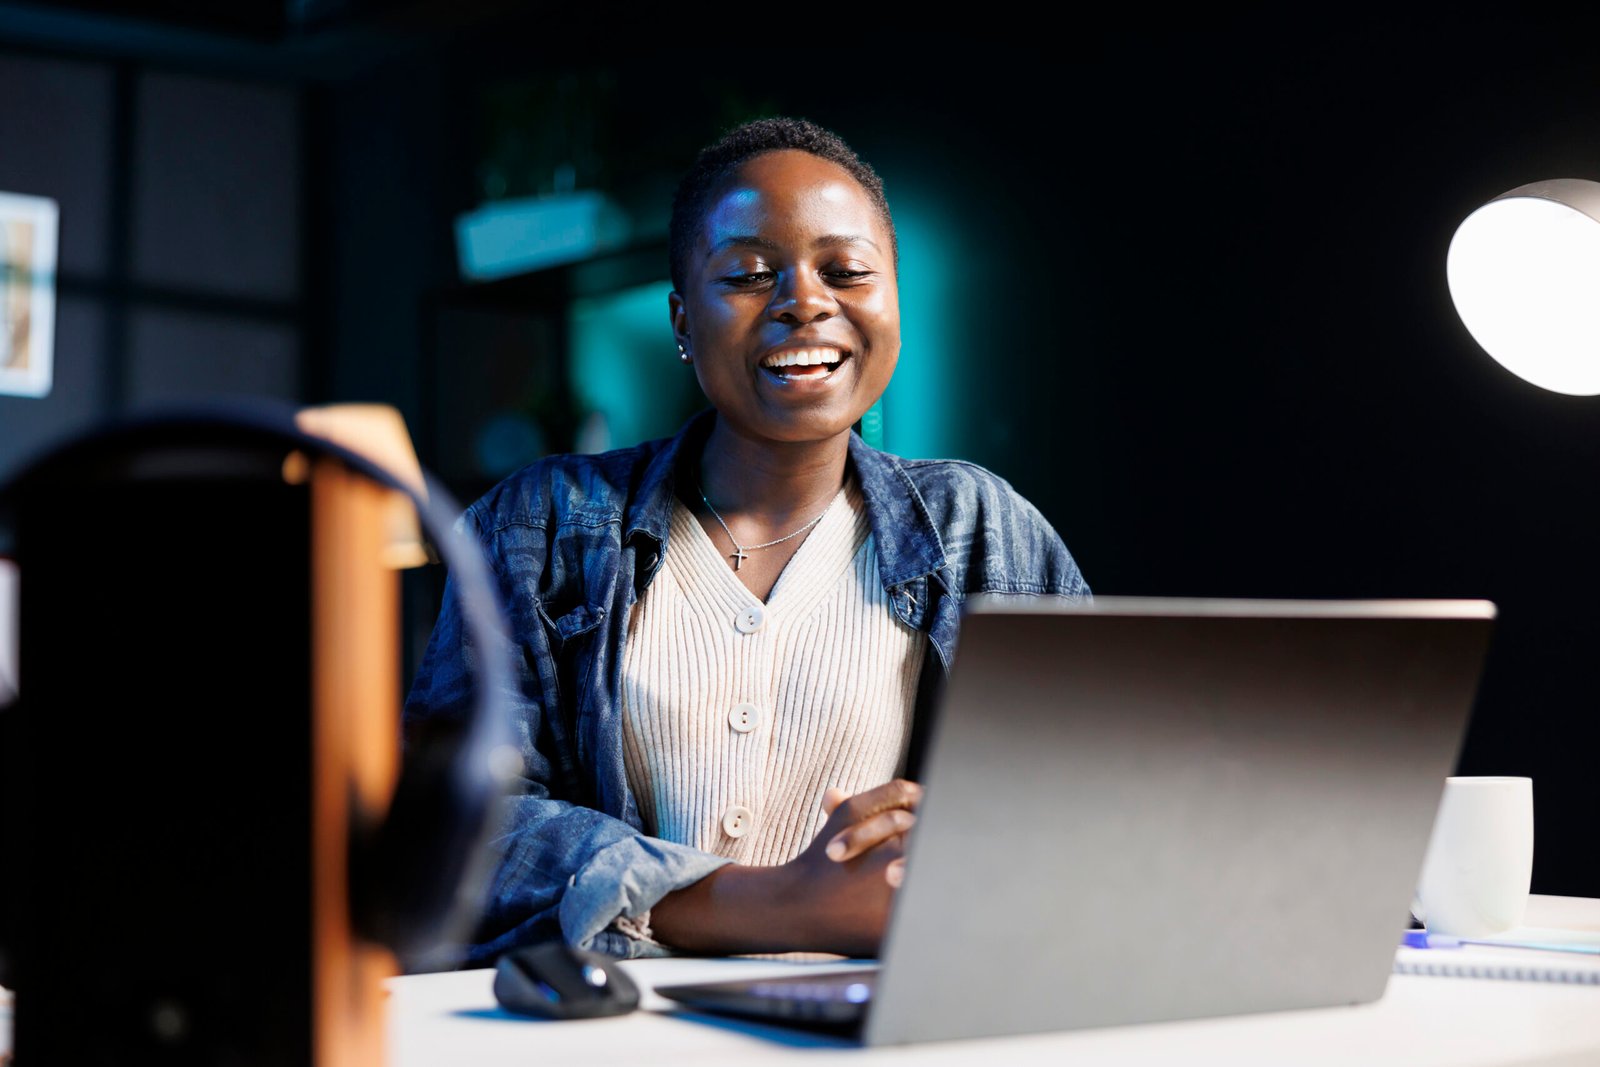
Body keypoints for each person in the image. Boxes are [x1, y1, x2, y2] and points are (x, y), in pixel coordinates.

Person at [405, 116, 1089, 966]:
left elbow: (1088, 802)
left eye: (846, 271)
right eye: (750, 274)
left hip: (868, 1027)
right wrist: (778, 905)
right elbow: (463, 827)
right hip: (602, 1028)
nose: (805, 300)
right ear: (683, 317)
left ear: (894, 305)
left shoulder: (981, 528)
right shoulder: (537, 525)